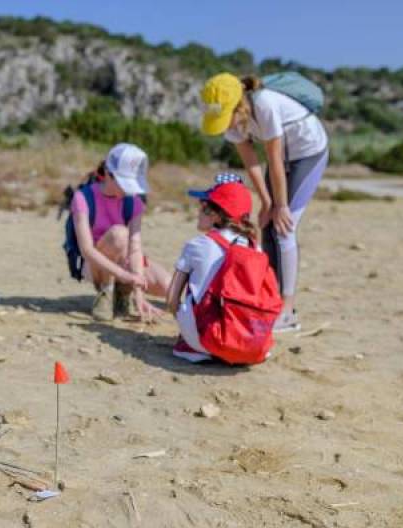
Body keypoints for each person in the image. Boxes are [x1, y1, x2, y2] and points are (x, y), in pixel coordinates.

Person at [199, 73, 329, 332]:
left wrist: (280, 206)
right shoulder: (235, 122)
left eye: (226, 118)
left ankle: (287, 311)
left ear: (239, 106)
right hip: (281, 162)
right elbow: (252, 163)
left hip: (309, 153)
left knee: (284, 228)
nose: (226, 125)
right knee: (268, 226)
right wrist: (267, 203)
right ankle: (270, 298)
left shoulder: (265, 103)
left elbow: (275, 158)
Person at [166, 173, 276, 363]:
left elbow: (171, 299)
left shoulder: (197, 244)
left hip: (207, 340)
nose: (198, 212)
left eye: (203, 207)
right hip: (250, 341)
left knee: (191, 301)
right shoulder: (255, 248)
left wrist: (186, 329)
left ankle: (198, 344)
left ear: (215, 215)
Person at [69, 143, 170, 322]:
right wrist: (125, 276)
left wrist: (139, 292)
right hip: (94, 265)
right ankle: (106, 292)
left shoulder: (134, 202)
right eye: (125, 183)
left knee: (168, 287)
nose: (129, 190)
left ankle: (124, 294)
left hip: (125, 262)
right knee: (119, 234)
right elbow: (87, 250)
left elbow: (135, 249)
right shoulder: (82, 198)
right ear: (109, 174)